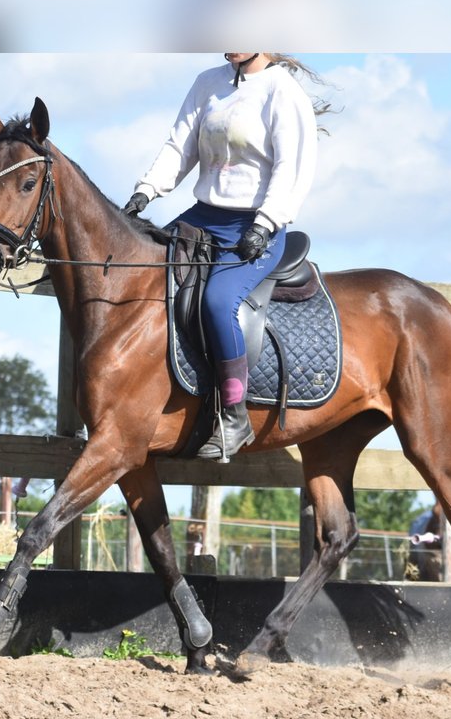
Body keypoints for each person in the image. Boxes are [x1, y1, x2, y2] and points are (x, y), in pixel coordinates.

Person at [122, 52, 321, 460]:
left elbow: (292, 168)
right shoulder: (207, 82)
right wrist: (146, 191)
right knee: (144, 270)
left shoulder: (283, 91)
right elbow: (180, 145)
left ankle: (234, 416)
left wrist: (266, 223)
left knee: (217, 301)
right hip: (203, 216)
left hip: (254, 227)